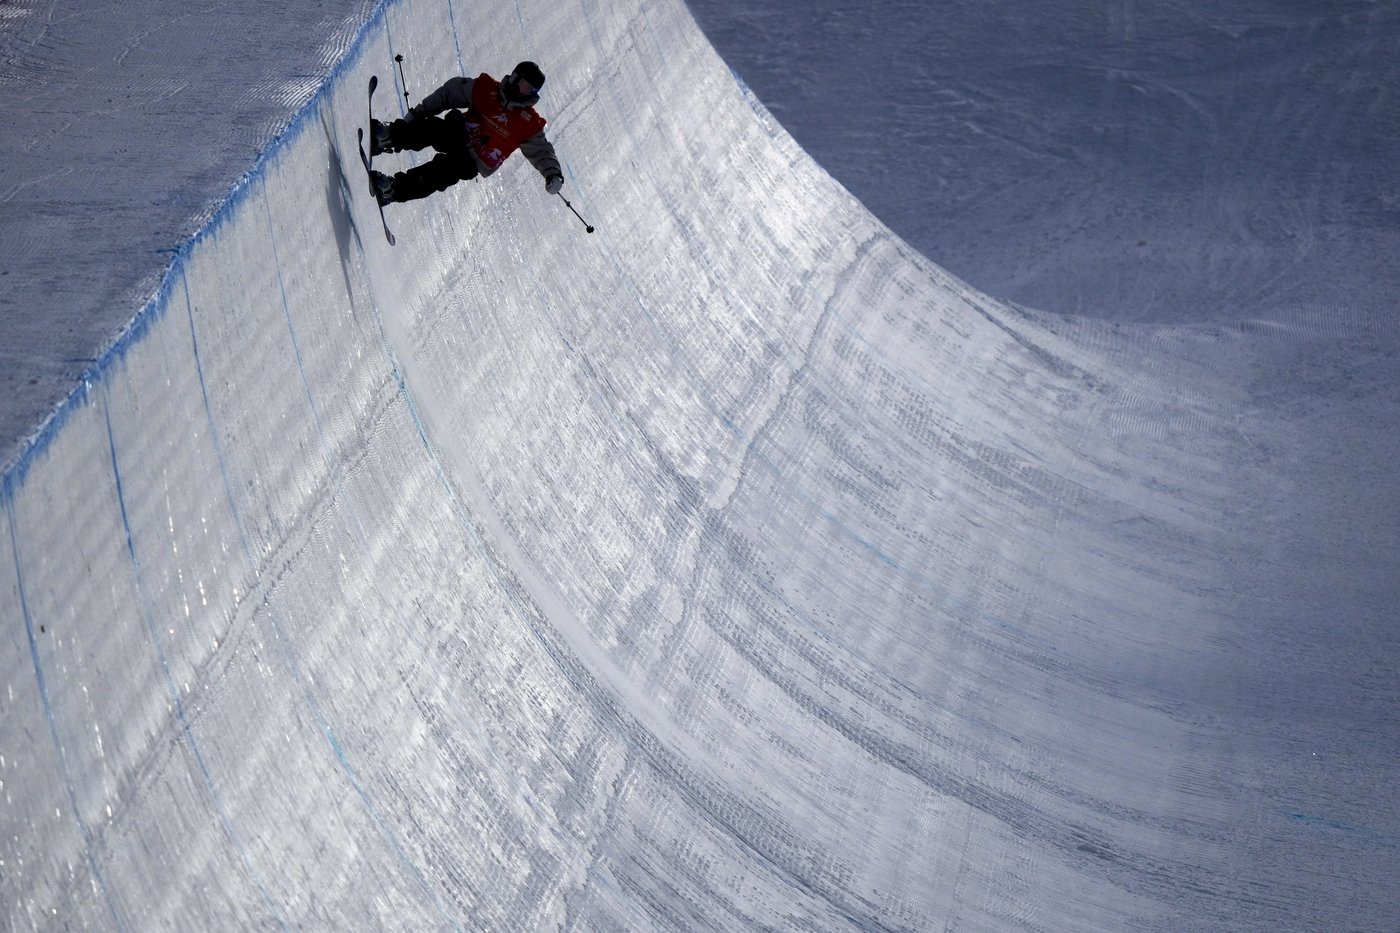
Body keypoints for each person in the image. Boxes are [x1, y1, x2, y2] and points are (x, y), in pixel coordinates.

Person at [368, 61, 564, 206]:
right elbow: (450, 93)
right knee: (436, 129)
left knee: (440, 173)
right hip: (458, 133)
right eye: (519, 81)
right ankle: (389, 136)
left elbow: (542, 151)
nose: (519, 89)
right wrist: (417, 113)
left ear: (532, 92)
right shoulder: (487, 89)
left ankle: (392, 189)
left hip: (474, 160)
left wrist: (553, 174)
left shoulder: (527, 121)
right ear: (512, 75)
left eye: (527, 88)